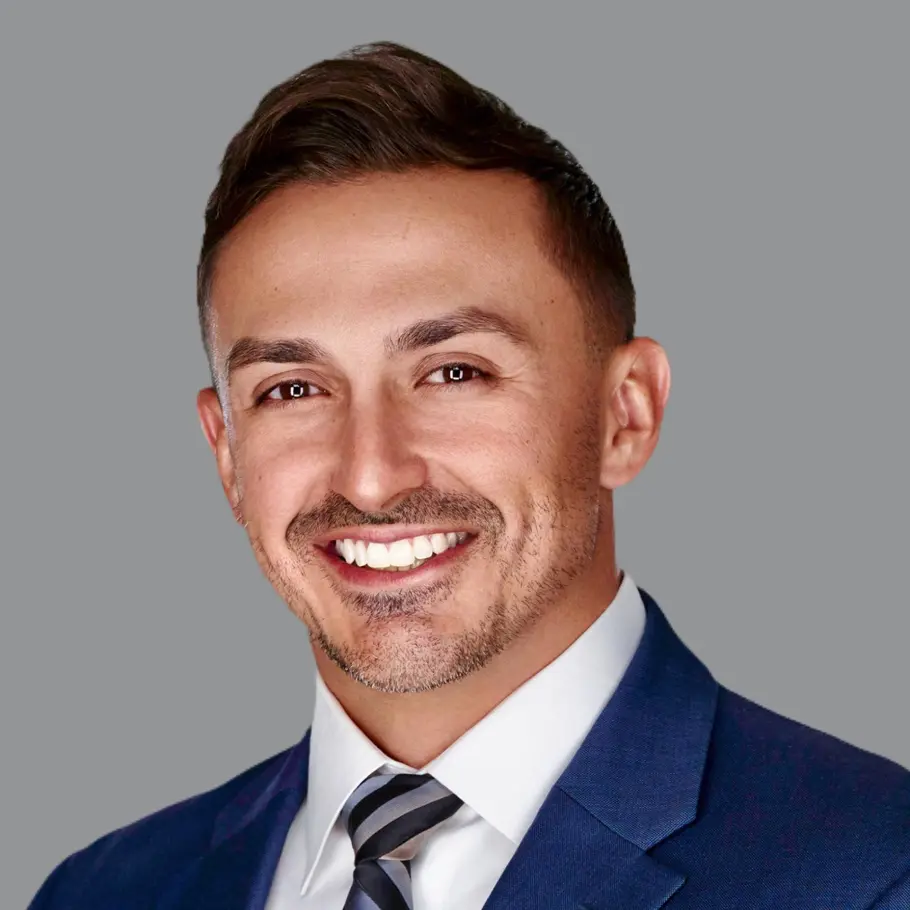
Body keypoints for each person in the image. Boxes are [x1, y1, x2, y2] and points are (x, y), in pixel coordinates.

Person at [29, 40, 910, 910]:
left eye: (455, 373)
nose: (371, 478)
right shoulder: (105, 890)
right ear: (227, 454)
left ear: (626, 413)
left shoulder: (874, 872)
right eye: (294, 389)